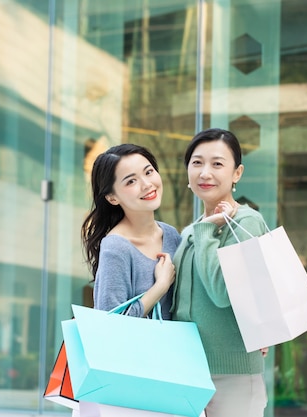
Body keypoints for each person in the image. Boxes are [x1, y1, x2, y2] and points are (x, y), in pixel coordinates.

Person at [171, 128, 269, 416]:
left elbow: (222, 292)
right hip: (188, 370)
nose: (205, 173)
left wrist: (206, 231)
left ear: (236, 173)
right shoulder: (190, 231)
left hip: (232, 374)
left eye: (217, 164)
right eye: (197, 163)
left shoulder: (246, 222)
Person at [81, 143, 181, 318]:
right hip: (140, 346)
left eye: (149, 172)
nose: (146, 184)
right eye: (131, 181)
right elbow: (111, 322)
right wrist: (161, 286)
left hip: (178, 345)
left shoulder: (171, 235)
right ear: (112, 198)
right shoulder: (116, 247)